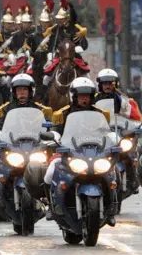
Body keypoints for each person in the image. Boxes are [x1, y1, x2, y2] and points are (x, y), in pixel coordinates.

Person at [44, 77, 112, 223]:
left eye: (87, 96)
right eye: (81, 96)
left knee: (113, 172)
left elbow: (107, 132)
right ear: (74, 96)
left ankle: (112, 208)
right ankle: (51, 206)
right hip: (69, 152)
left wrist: (114, 138)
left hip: (95, 153)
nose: (84, 99)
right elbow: (56, 130)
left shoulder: (100, 114)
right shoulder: (63, 114)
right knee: (49, 172)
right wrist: (54, 136)